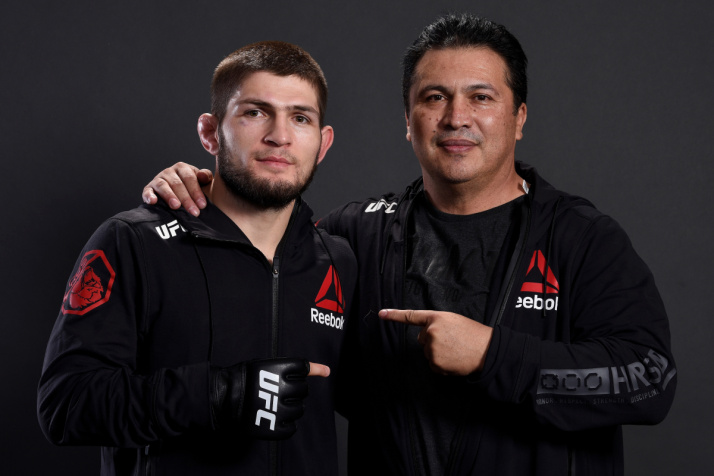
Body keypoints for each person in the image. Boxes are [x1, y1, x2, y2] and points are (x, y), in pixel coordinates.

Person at [142, 14, 677, 476]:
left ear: (519, 118)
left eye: (481, 97)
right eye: (434, 97)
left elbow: (651, 380)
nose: (456, 117)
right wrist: (205, 186)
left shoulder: (581, 238)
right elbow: (262, 257)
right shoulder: (355, 235)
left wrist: (493, 355)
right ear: (408, 120)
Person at [37, 41, 357, 475]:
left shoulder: (338, 260)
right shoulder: (135, 242)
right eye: (255, 112)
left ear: (322, 143)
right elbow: (65, 404)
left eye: (300, 118)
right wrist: (217, 395)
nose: (280, 136)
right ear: (210, 133)